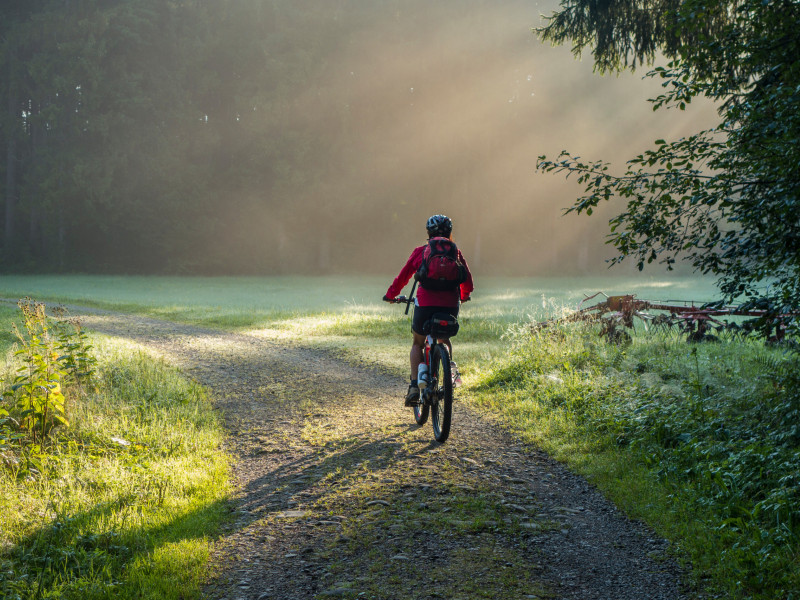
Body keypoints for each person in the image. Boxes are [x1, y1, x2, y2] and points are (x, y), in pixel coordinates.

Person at [383, 214, 474, 406]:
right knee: (444, 339)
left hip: (425, 304)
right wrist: (464, 296)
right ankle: (448, 370)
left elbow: (404, 276)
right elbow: (467, 280)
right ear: (449, 232)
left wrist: (391, 295)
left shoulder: (421, 251)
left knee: (417, 343)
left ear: (428, 233)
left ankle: (415, 386)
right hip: (450, 304)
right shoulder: (455, 252)